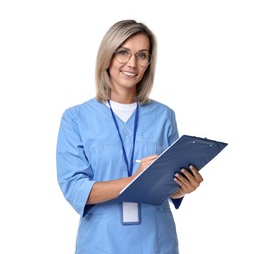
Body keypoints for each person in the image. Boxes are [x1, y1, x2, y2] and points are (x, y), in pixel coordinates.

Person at [56, 19, 203, 254]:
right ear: (108, 56)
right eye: (123, 52)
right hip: (101, 243)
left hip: (157, 242)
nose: (132, 63)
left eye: (142, 55)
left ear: (149, 63)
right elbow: (75, 188)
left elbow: (168, 184)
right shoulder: (76, 118)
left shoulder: (164, 115)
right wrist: (135, 180)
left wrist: (182, 187)